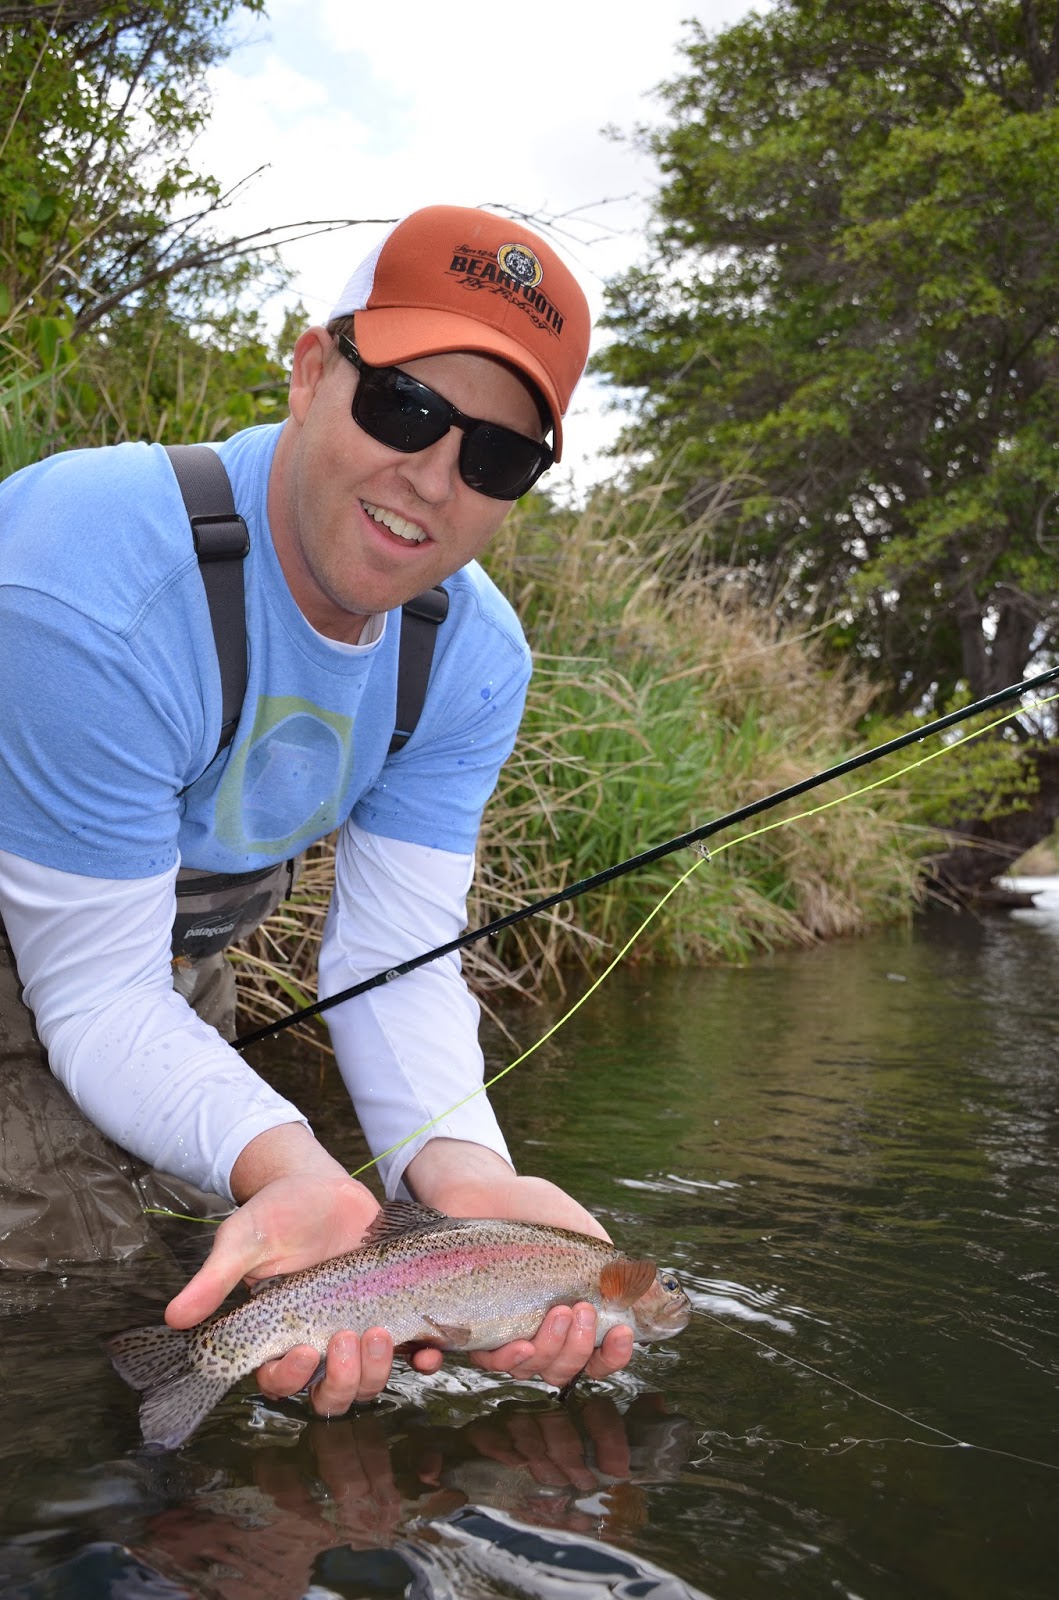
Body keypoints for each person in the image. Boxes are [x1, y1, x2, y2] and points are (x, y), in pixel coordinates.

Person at [0, 204, 635, 1413]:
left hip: (153, 946)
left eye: (498, 458)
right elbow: (93, 991)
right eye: (405, 405)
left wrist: (462, 1181)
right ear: (309, 371)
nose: (433, 479)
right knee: (55, 1282)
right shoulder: (88, 583)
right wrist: (287, 1153)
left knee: (203, 1266)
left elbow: (398, 959)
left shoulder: (471, 659)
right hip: (67, 928)